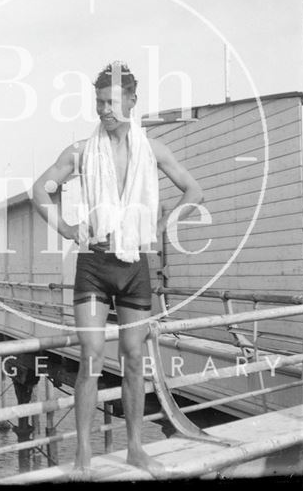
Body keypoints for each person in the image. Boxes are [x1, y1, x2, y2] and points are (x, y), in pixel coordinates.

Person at [32, 62, 203, 479]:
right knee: (91, 357)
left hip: (134, 265)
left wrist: (163, 225)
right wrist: (69, 229)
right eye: (98, 102)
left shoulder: (153, 149)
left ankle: (136, 449)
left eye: (111, 101)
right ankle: (84, 456)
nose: (104, 109)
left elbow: (193, 188)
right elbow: (39, 189)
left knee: (132, 358)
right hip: (94, 263)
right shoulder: (80, 151)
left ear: (131, 102)